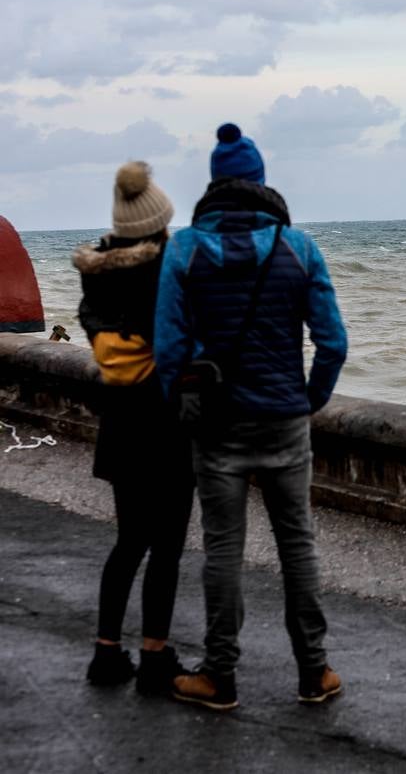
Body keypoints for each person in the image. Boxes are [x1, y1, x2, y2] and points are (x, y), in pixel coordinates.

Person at [154, 123, 348, 711]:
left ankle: (219, 675)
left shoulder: (185, 249)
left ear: (215, 184)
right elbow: (333, 341)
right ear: (262, 182)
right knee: (299, 545)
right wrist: (309, 397)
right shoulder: (299, 247)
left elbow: (169, 348)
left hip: (218, 425)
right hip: (286, 419)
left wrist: (184, 403)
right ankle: (314, 672)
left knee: (222, 551)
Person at [74, 161, 194, 695]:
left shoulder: (95, 274)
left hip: (120, 423)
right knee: (166, 546)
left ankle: (106, 652)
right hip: (166, 423)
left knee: (128, 542)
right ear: (159, 221)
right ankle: (155, 656)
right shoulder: (167, 269)